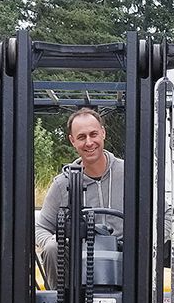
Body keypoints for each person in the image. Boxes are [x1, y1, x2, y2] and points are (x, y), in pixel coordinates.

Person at [35, 108, 124, 288]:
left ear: (103, 133)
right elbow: (41, 227)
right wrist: (51, 240)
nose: (89, 142)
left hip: (125, 257)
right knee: (53, 248)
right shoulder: (63, 184)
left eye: (93, 134)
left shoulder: (131, 174)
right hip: (79, 259)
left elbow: (165, 213)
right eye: (82, 137)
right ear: (72, 141)